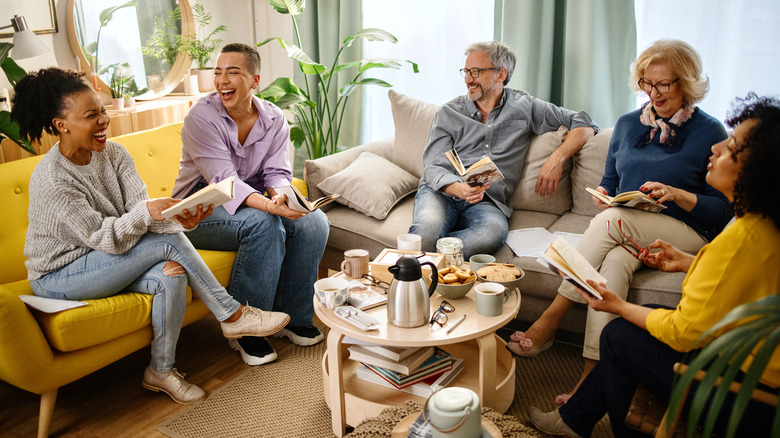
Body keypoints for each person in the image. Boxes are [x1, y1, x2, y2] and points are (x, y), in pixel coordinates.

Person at [13, 67, 290, 404]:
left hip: (108, 260)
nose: (103, 121)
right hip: (60, 276)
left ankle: (160, 371)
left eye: (102, 110)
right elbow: (105, 237)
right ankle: (232, 315)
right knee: (164, 244)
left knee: (171, 275)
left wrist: (182, 220)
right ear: (61, 124)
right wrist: (151, 215)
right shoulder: (54, 179)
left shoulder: (115, 154)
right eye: (91, 115)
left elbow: (140, 213)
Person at [527, 93, 780, 438]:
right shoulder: (762, 225)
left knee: (618, 335)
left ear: (758, 172)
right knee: (634, 316)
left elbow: (682, 332)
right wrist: (689, 262)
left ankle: (601, 423)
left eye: (732, 148)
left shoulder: (740, 238)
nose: (717, 148)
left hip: (740, 392)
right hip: (747, 368)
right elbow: (740, 279)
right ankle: (573, 420)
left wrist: (617, 305)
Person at [509, 40, 732, 402]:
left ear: (687, 82)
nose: (653, 93)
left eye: (664, 84)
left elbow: (722, 210)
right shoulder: (628, 125)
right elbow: (610, 181)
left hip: (688, 232)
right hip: (629, 226)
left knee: (612, 221)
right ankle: (590, 378)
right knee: (613, 262)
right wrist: (604, 194)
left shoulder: (710, 132)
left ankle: (551, 317)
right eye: (647, 83)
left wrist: (677, 195)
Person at [171, 43, 330, 366]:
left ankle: (294, 316)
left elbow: (277, 173)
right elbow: (224, 182)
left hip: (250, 202)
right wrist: (270, 207)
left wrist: (282, 196)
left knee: (314, 222)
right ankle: (245, 328)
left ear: (255, 80)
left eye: (233, 72)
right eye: (218, 72)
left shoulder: (273, 117)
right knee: (262, 224)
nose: (222, 80)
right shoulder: (201, 117)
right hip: (198, 211)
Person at [409, 41, 598, 259]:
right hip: (442, 193)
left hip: (487, 201)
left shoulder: (525, 106)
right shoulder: (449, 113)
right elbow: (433, 166)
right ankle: (434, 264)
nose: (468, 79)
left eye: (476, 72)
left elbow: (584, 122)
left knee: (492, 233)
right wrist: (459, 188)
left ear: (501, 74)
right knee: (427, 232)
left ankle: (429, 263)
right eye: (466, 71)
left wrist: (557, 158)